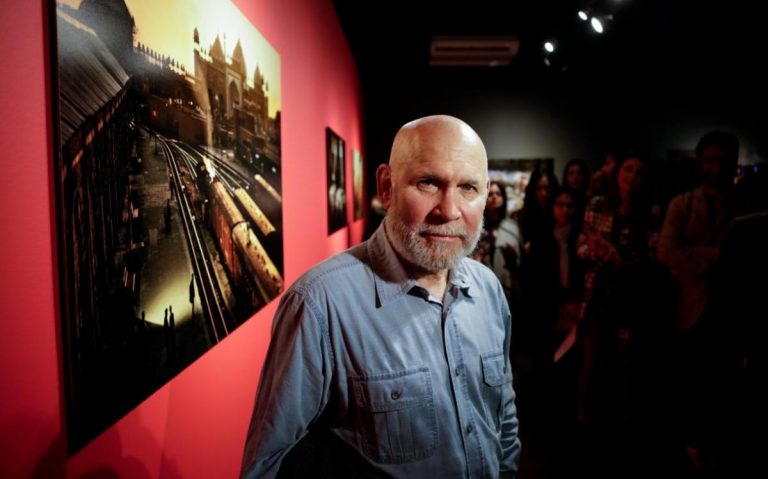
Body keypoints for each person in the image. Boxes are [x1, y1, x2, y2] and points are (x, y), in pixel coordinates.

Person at [241, 115, 521, 478]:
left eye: (468, 187)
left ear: (485, 194)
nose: (449, 210)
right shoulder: (319, 303)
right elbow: (268, 465)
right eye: (428, 183)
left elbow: (502, 417)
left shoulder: (488, 289)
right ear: (387, 187)